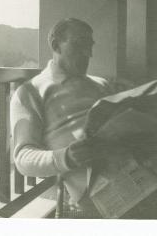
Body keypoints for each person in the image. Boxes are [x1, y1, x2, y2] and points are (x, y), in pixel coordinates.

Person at [10, 18, 112, 218]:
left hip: (132, 170)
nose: (88, 54)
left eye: (89, 46)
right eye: (79, 44)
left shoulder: (101, 84)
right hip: (91, 191)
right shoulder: (31, 91)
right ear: (55, 45)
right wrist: (66, 157)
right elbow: (23, 158)